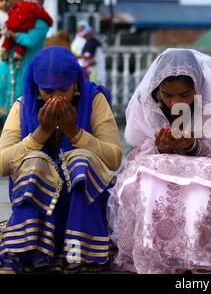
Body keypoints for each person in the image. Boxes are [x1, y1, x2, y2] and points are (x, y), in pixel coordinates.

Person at [108, 48, 211, 274]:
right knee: (150, 170)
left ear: (198, 89)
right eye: (167, 95)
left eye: (184, 95)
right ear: (157, 90)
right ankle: (152, 252)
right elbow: (139, 144)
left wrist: (194, 146)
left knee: (209, 178)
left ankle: (197, 252)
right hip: (159, 162)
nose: (174, 103)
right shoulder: (147, 103)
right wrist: (159, 147)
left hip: (208, 161)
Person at [0, 46, 122, 274]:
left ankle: (82, 250)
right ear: (37, 89)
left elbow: (114, 158)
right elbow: (2, 163)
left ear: (75, 83)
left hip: (82, 194)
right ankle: (29, 250)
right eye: (47, 91)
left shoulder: (94, 99)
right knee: (36, 160)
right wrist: (40, 133)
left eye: (63, 89)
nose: (56, 98)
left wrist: (74, 132)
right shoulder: (23, 105)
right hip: (39, 199)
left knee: (80, 159)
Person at [0, 0, 51, 124]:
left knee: (21, 115)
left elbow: (31, 41)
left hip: (24, 71)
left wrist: (12, 34)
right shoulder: (12, 18)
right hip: (6, 71)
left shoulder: (40, 21)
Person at [1, 0, 53, 69]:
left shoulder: (40, 22)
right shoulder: (15, 10)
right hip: (9, 69)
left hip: (25, 69)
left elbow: (29, 41)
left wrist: (13, 34)